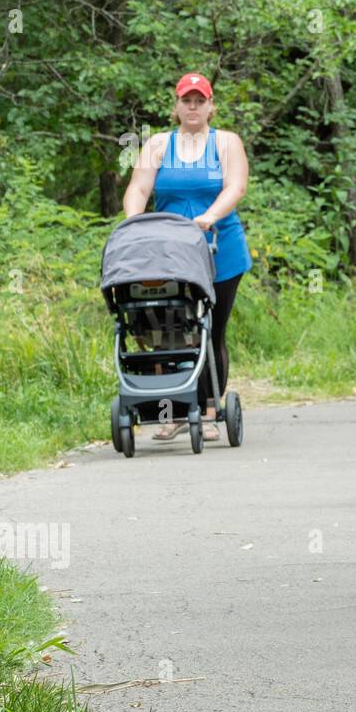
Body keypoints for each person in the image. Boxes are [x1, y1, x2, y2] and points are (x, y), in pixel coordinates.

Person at [123, 72, 252, 441]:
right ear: (176, 106)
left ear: (211, 106)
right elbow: (139, 187)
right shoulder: (159, 144)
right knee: (166, 328)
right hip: (169, 251)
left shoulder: (226, 142)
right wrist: (134, 220)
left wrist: (210, 216)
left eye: (200, 101)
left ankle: (209, 410)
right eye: (186, 101)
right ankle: (173, 413)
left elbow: (236, 186)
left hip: (218, 248)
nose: (193, 107)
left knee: (211, 331)